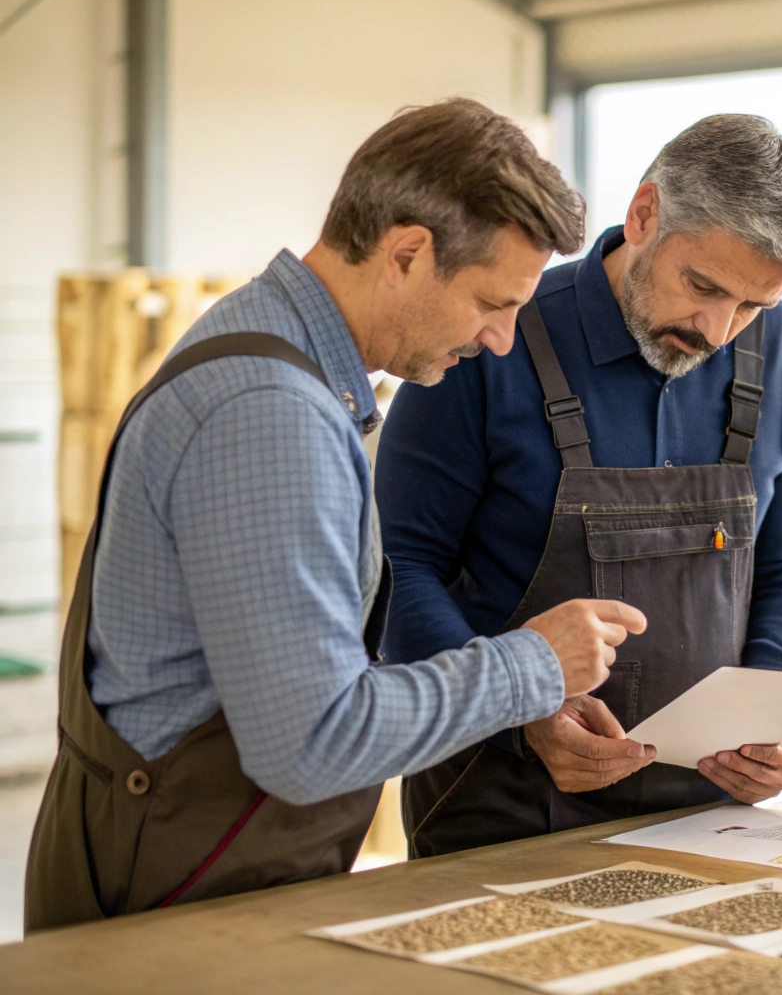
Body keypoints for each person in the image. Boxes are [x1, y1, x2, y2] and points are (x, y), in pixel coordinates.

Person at [24, 99, 646, 932]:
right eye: (493, 304)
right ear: (408, 252)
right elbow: (313, 743)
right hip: (173, 903)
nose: (501, 341)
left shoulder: (278, 355)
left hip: (198, 871)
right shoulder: (269, 410)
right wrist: (532, 665)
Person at [376, 114, 782, 856]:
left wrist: (765, 713)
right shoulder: (492, 332)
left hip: (707, 816)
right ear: (645, 214)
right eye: (703, 286)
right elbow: (399, 571)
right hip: (498, 800)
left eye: (752, 307)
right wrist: (519, 712)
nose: (719, 330)